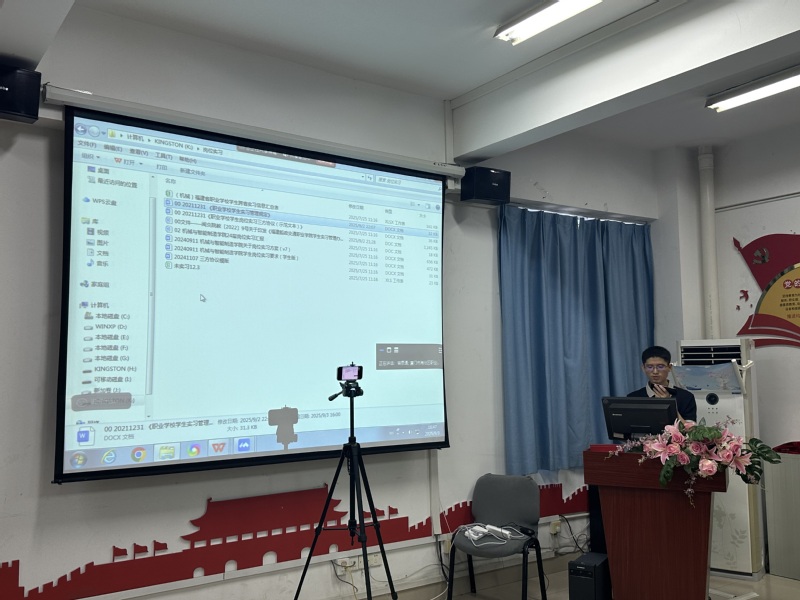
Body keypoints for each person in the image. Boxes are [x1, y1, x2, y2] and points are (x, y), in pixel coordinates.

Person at [627, 345, 697, 422]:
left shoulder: (686, 397)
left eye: (660, 366)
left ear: (669, 367)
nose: (655, 372)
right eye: (650, 367)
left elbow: (690, 428)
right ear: (643, 368)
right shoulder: (633, 398)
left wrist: (669, 405)